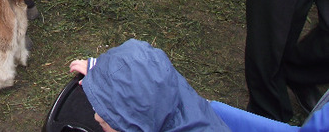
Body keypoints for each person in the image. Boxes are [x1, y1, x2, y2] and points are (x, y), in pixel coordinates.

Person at [68, 39, 329, 132]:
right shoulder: (185, 107)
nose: (95, 115)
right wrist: (100, 70)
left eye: (105, 120)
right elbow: (154, 75)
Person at [69, 39, 230, 131]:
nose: (96, 117)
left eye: (108, 118)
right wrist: (102, 71)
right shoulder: (173, 91)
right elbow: (141, 66)